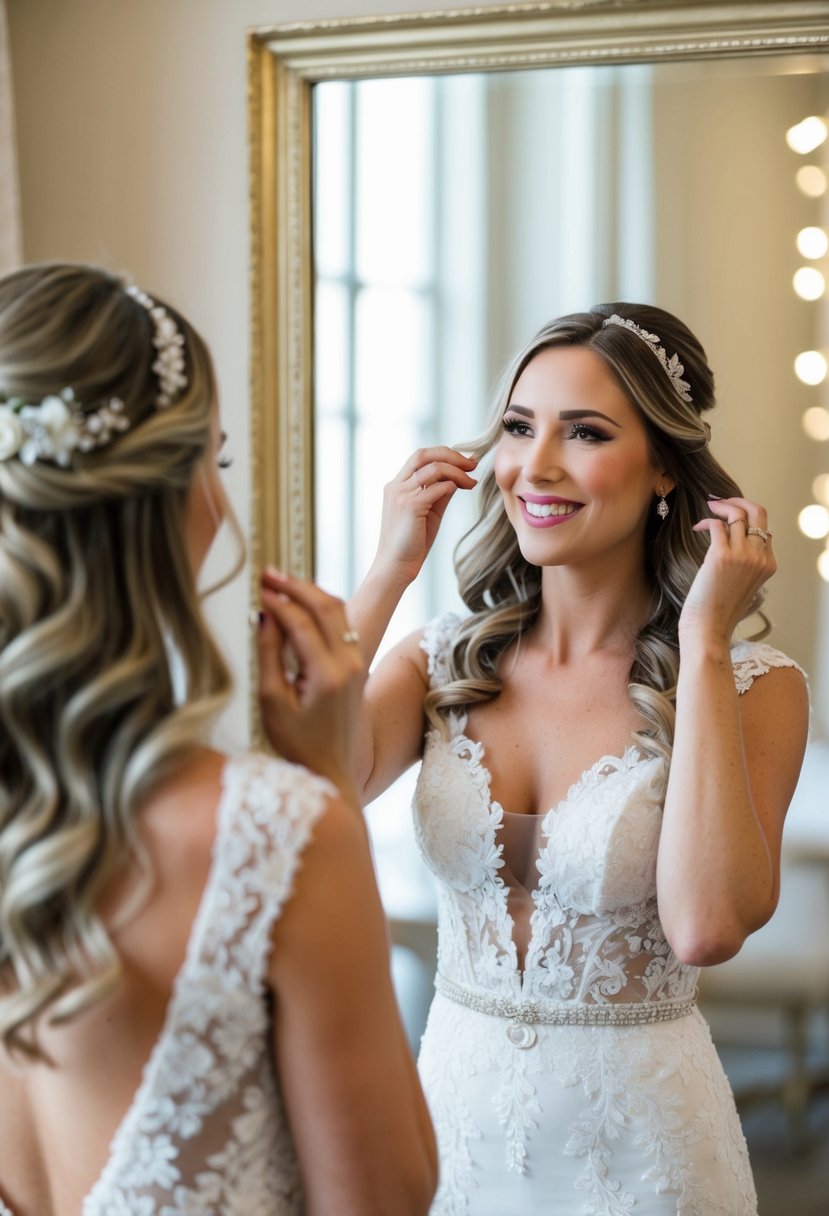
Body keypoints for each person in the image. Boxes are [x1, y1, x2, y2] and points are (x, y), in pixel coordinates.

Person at [293, 302, 810, 1214]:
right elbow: (297, 789)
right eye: (518, 428)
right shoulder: (439, 661)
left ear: (661, 467)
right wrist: (387, 572)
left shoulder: (751, 686)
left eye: (585, 433)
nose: (534, 466)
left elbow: (705, 928)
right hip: (451, 1137)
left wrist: (704, 646)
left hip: (647, 1161)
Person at [0, 262, 437, 1216]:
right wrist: (326, 775)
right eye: (218, 461)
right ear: (171, 498)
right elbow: (388, 1198)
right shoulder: (272, 831)